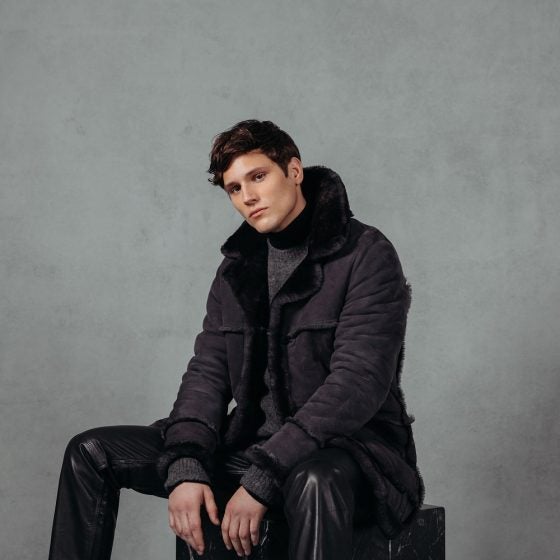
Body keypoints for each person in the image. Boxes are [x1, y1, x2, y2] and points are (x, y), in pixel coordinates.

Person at [48, 120, 424, 560]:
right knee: (91, 451)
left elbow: (356, 383)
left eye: (258, 176)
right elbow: (207, 373)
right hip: (247, 447)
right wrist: (186, 464)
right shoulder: (236, 269)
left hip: (346, 453)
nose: (247, 196)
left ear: (294, 171)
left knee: (314, 480)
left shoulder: (364, 253)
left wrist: (265, 476)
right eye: (234, 188)